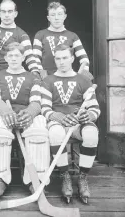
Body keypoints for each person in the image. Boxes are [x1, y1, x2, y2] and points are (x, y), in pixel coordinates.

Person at [0, 42, 49, 199]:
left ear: (23, 57)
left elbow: (36, 101)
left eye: (17, 55)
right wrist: (7, 113)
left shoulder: (33, 77)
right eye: (10, 55)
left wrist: (29, 113)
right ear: (6, 57)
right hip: (4, 113)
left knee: (39, 126)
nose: (13, 58)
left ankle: (36, 178)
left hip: (24, 115)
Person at [41, 44, 100, 204]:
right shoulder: (47, 81)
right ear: (55, 60)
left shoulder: (84, 80)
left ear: (72, 58)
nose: (62, 61)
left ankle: (82, 177)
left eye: (65, 57)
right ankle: (65, 176)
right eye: (58, 58)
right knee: (55, 134)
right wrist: (59, 116)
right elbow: (45, 108)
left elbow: (95, 108)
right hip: (58, 123)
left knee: (91, 134)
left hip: (78, 122)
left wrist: (87, 115)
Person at [0, 0, 40, 76]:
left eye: (10, 11)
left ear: (15, 14)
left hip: (14, 75)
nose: (6, 15)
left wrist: (35, 71)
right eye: (3, 11)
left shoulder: (22, 34)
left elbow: (29, 56)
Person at [33, 2, 90, 76]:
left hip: (67, 79)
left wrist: (79, 77)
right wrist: (41, 74)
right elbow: (35, 57)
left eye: (59, 14)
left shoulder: (73, 36)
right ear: (48, 18)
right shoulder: (40, 35)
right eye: (53, 15)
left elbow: (84, 59)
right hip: (46, 80)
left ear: (65, 16)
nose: (56, 18)